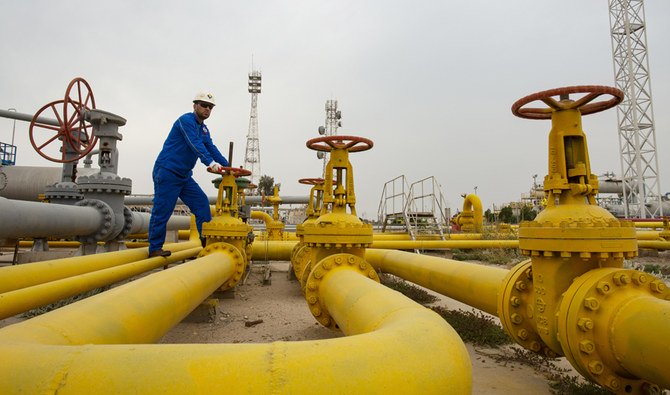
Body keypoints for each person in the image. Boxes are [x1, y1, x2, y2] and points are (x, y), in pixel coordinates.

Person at [148, 92, 229, 258]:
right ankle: (155, 249)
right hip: (168, 171)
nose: (207, 109)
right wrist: (210, 163)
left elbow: (211, 147)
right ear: (195, 106)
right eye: (203, 105)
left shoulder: (203, 129)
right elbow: (195, 144)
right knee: (163, 210)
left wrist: (228, 167)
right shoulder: (186, 121)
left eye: (210, 107)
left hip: (184, 176)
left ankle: (205, 244)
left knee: (201, 204)